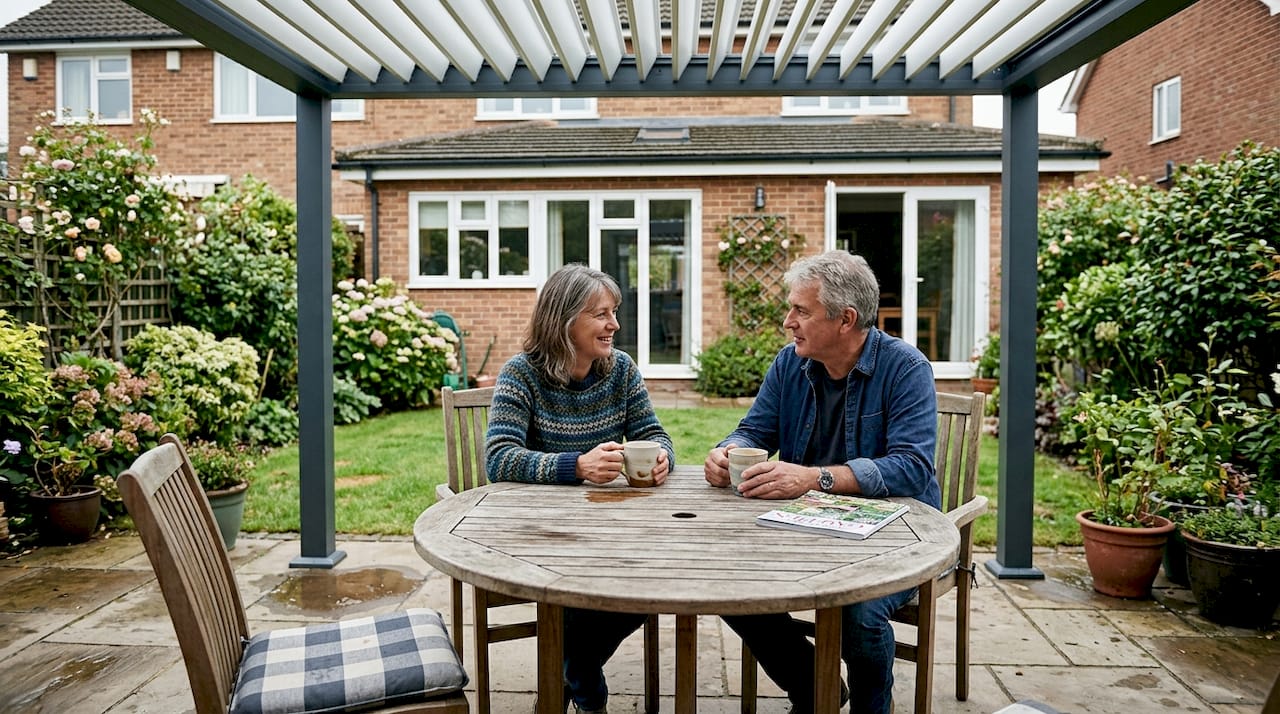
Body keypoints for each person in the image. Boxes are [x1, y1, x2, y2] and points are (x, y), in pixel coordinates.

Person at [703, 250, 937, 714]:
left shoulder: (906, 369)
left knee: (859, 613)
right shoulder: (791, 363)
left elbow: (911, 466)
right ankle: (815, 689)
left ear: (845, 319)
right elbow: (755, 429)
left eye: (801, 311)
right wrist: (727, 450)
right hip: (800, 527)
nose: (788, 322)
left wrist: (815, 478)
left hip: (894, 536)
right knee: (727, 585)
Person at [485, 263, 676, 714]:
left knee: (651, 582)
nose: (614, 325)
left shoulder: (621, 370)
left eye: (614, 313)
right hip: (544, 538)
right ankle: (588, 694)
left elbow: (655, 433)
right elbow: (498, 458)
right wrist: (577, 466)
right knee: (578, 597)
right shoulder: (522, 374)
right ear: (564, 320)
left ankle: (572, 684)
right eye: (601, 314)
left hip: (615, 532)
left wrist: (662, 456)